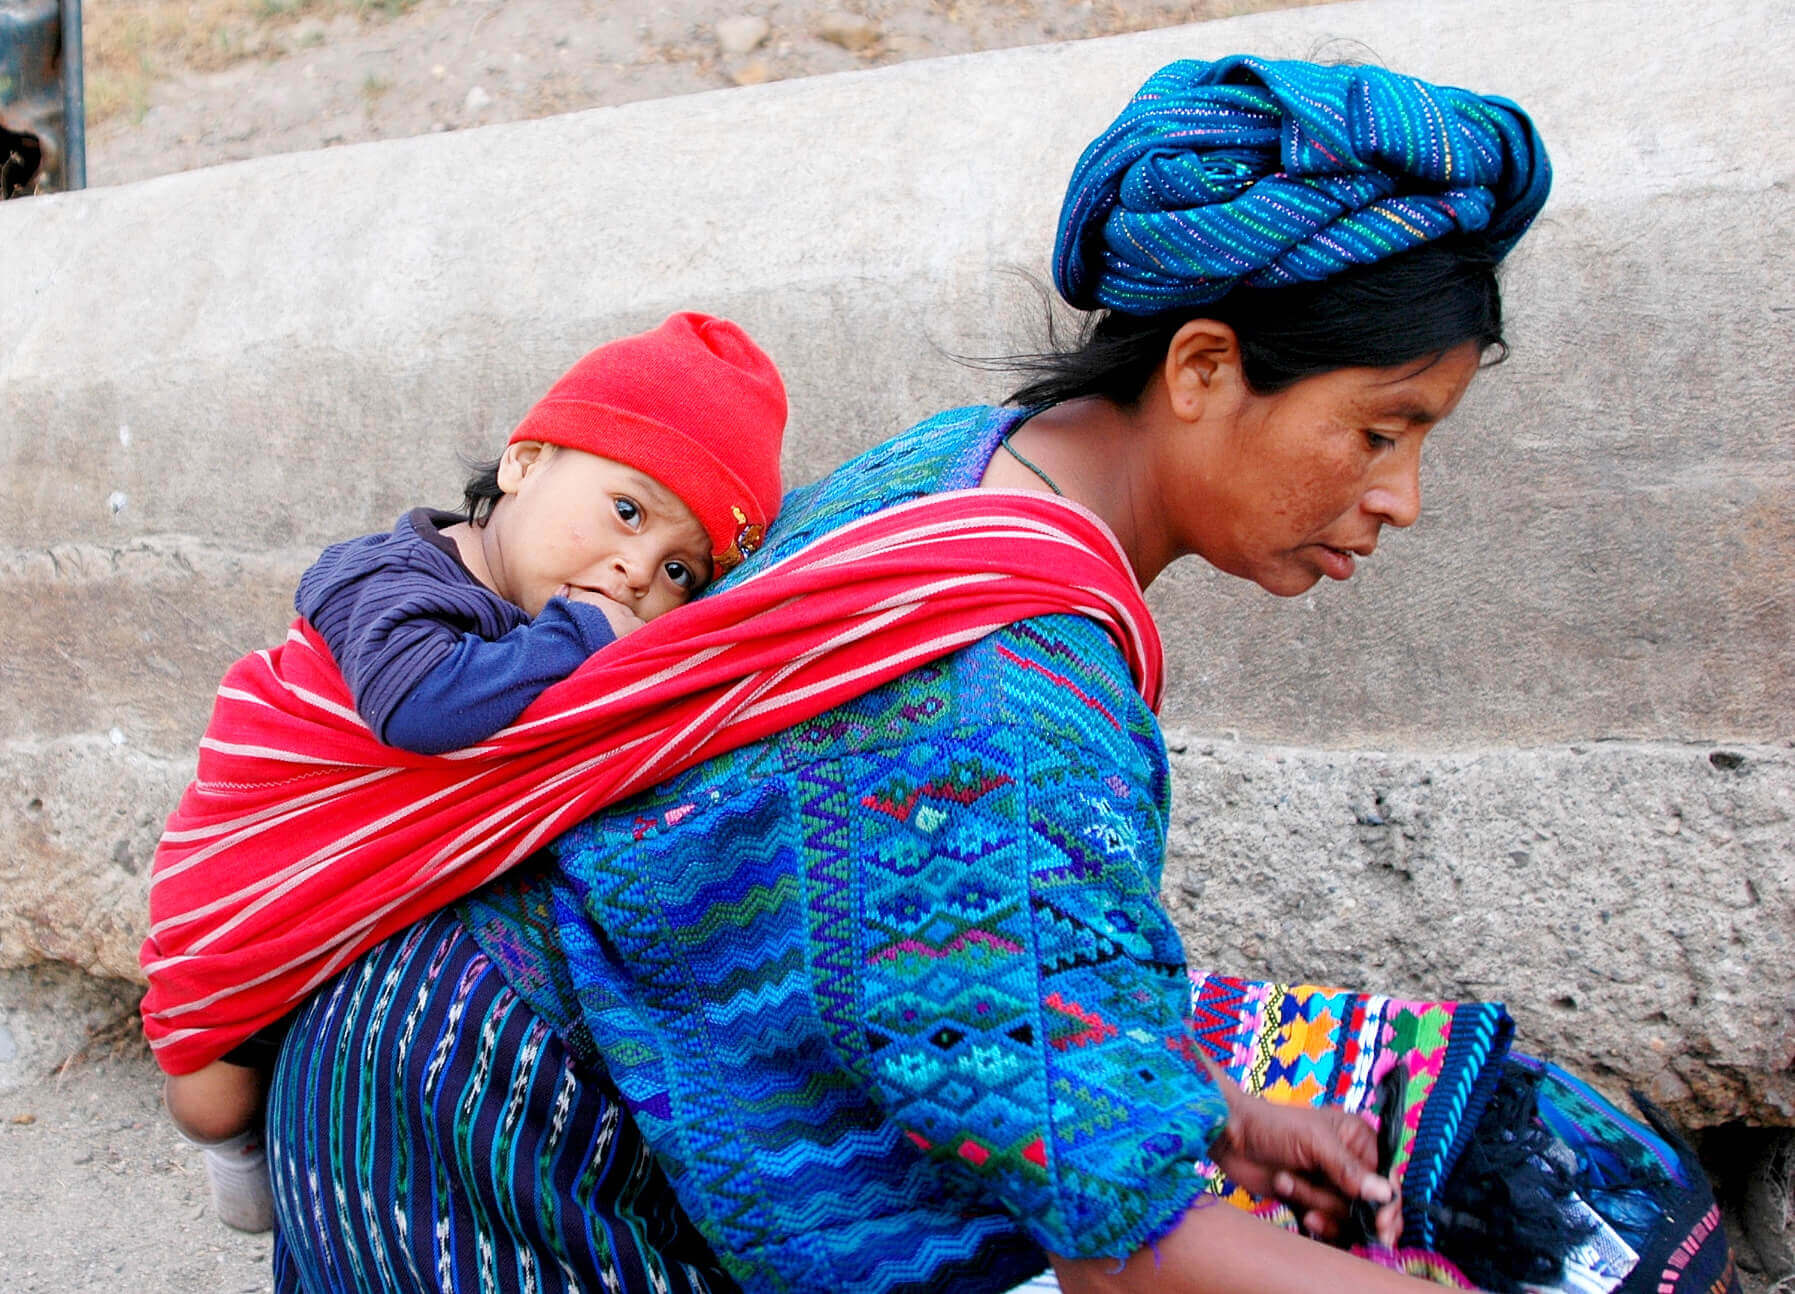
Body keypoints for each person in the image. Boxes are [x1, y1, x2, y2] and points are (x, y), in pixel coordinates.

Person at [258, 56, 1737, 1294]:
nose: (1400, 495)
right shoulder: (998, 681)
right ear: (1205, 368)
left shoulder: (970, 481)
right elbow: (1120, 1239)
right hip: (495, 1176)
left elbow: (922, 950)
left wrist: (1203, 1106)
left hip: (481, 1043)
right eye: (1377, 429)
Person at [153, 310, 787, 1230]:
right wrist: (578, 638)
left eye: (683, 572)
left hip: (381, 898)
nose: (636, 571)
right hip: (261, 861)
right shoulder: (383, 576)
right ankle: (242, 1155)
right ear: (526, 462)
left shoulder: (550, 629)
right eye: (626, 512)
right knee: (209, 1102)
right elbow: (421, 710)